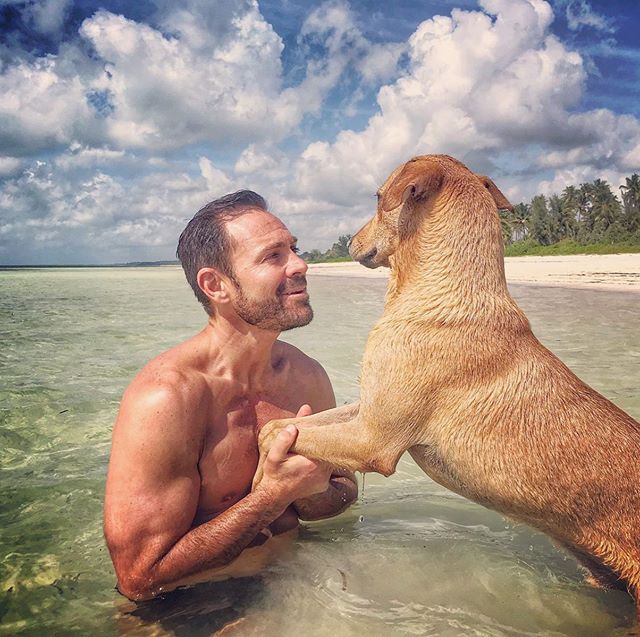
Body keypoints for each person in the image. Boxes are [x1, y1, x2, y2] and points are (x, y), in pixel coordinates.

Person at [104, 190, 358, 601]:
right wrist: (274, 495)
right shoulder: (166, 398)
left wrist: (310, 491)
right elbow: (139, 578)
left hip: (293, 589)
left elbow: (344, 493)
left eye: (293, 248)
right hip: (192, 610)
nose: (300, 263)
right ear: (215, 285)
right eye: (272, 256)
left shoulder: (307, 376)